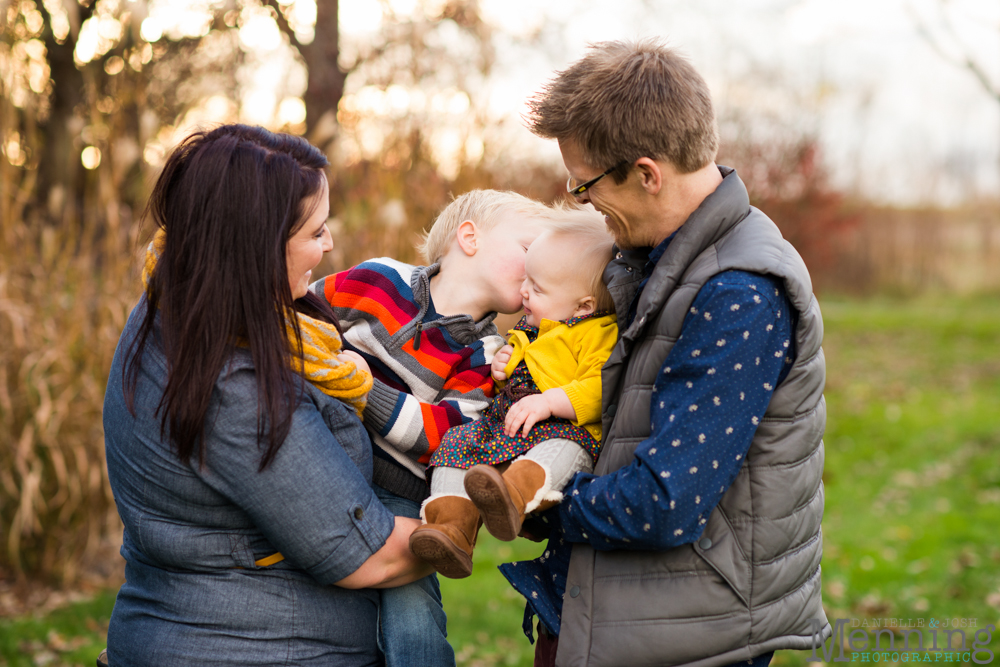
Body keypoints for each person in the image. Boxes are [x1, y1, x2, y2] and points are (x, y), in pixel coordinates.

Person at [500, 39, 833, 667]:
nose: (583, 201)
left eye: (585, 185)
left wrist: (538, 504)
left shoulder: (738, 293)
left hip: (688, 633)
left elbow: (665, 501)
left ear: (648, 174)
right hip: (631, 609)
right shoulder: (658, 259)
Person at [103, 124, 431, 666]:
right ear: (254, 245)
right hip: (253, 649)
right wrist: (478, 502)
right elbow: (368, 555)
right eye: (315, 232)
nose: (329, 245)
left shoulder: (176, 304)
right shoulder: (234, 383)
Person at [309, 189, 554, 666]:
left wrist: (360, 389)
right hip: (324, 461)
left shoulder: (488, 359)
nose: (537, 269)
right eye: (529, 249)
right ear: (469, 237)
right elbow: (302, 320)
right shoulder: (379, 280)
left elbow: (445, 435)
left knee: (413, 620)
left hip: (402, 495)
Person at [408, 210, 618, 580]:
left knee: (568, 450)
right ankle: (450, 527)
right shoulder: (530, 328)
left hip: (560, 429)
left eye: (537, 288)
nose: (523, 290)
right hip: (507, 426)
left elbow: (603, 386)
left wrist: (551, 402)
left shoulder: (596, 333)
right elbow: (519, 379)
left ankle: (515, 497)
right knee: (456, 444)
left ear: (583, 305)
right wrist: (504, 368)